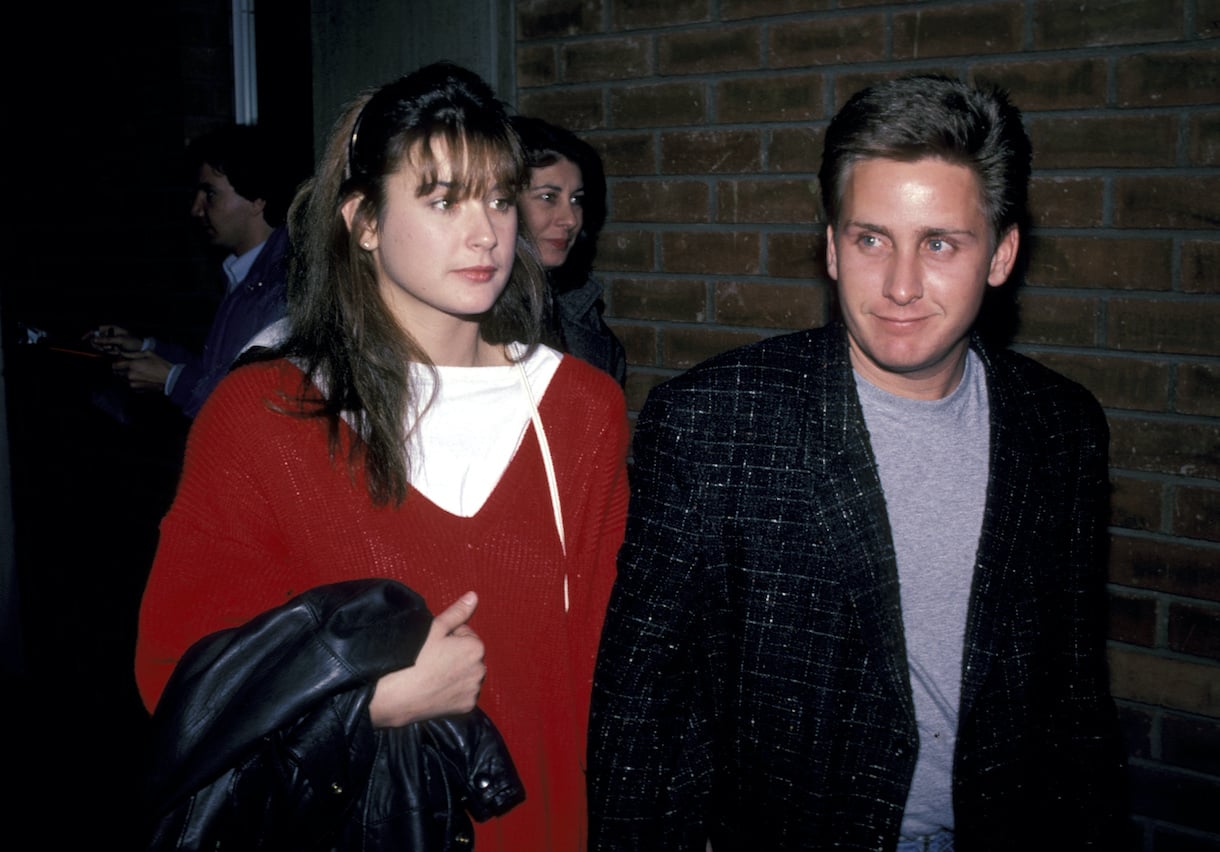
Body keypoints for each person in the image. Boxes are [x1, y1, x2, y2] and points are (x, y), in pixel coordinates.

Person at [587, 75, 1128, 851]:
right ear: (831, 248)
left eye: (939, 244)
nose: (901, 286)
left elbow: (1076, 696)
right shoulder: (715, 420)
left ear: (1001, 254)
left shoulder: (1061, 428)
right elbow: (641, 706)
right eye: (871, 239)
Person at [135, 62, 629, 849]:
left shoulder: (578, 408)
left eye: (501, 199)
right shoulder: (263, 415)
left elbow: (605, 668)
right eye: (444, 200)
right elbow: (181, 673)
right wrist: (367, 703)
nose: (486, 233)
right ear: (363, 220)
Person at [85, 123, 295, 418]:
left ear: (257, 200)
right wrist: (146, 348)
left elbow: (253, 401)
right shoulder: (245, 273)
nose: (196, 209)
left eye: (210, 194)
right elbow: (216, 371)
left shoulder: (282, 285)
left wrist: (173, 381)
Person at [511, 115, 627, 386]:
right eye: (548, 197)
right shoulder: (468, 316)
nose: (571, 219)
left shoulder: (579, 309)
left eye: (576, 199)